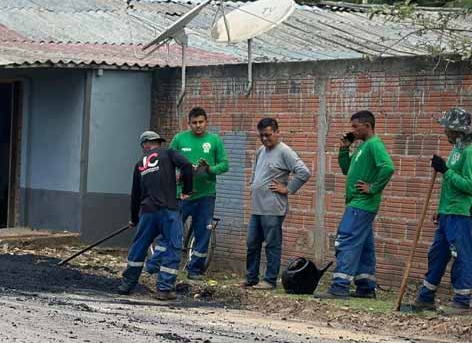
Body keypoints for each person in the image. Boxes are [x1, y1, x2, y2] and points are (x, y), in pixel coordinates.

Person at [316, 110, 394, 299]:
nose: (352, 130)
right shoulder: (362, 146)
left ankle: (339, 287)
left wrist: (373, 187)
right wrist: (344, 149)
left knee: (346, 240)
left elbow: (388, 167)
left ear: (367, 126)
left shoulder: (374, 144)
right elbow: (346, 169)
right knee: (365, 246)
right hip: (357, 203)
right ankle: (366, 287)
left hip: (362, 204)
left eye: (355, 127)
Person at [146, 106, 228, 280]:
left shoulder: (215, 140)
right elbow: (165, 161)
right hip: (181, 195)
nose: (198, 126)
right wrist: (174, 175)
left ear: (206, 122)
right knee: (170, 228)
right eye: (194, 123)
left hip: (206, 195)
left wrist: (209, 168)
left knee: (203, 232)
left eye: (201, 122)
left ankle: (194, 270)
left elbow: (224, 165)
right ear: (188, 123)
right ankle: (154, 263)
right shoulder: (179, 139)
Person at [117, 130, 195, 301]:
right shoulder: (168, 153)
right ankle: (165, 289)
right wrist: (188, 190)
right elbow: (187, 166)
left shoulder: (139, 164)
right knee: (173, 245)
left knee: (139, 246)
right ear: (156, 142)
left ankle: (127, 285)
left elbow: (135, 195)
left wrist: (134, 218)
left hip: (147, 213)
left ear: (145, 145)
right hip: (168, 210)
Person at [410, 108, 472, 315]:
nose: (444, 131)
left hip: (462, 214)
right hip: (447, 212)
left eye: (447, 127)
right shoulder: (457, 149)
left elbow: (469, 185)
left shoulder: (470, 151)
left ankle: (462, 301)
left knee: (462, 256)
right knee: (437, 254)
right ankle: (426, 298)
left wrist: (445, 170)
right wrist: (440, 208)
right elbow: (450, 184)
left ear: (457, 130)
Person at [244, 118, 311, 289]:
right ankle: (251, 278)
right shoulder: (261, 150)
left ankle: (269, 280)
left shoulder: (285, 152)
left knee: (272, 244)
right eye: (261, 136)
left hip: (273, 208)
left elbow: (304, 172)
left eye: (268, 135)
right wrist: (253, 184)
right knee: (252, 243)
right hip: (257, 207)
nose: (265, 139)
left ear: (277, 132)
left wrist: (288, 189)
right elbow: (256, 171)